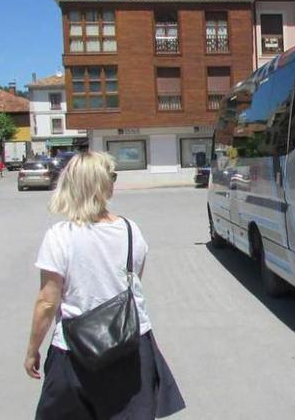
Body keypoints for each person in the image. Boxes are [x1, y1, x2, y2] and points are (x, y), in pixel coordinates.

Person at [24, 151, 185, 419]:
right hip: (130, 345)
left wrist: (32, 350)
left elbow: (47, 302)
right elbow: (132, 284)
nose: (114, 182)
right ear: (100, 184)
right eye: (112, 176)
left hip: (74, 352)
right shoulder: (131, 230)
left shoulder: (59, 236)